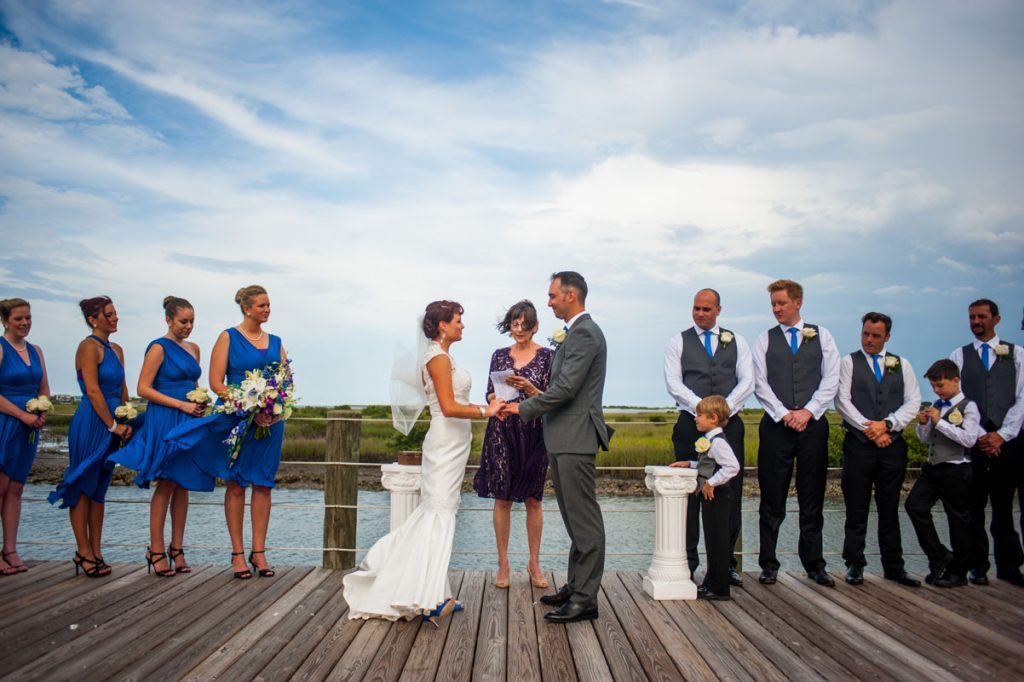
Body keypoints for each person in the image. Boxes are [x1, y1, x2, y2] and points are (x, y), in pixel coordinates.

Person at [343, 300, 502, 623]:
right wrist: (487, 411)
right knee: (439, 512)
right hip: (445, 442)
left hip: (454, 441)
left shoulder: (440, 356)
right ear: (442, 325)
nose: (462, 325)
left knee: (439, 511)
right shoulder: (438, 358)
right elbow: (448, 406)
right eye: (458, 320)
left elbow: (454, 401)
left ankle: (434, 591)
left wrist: (488, 406)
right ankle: (429, 596)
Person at [505, 271, 611, 624]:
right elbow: (564, 388)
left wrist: (521, 408)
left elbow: (566, 389)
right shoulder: (576, 333)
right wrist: (534, 394)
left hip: (576, 437)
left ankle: (585, 600)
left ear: (570, 295)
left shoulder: (585, 333)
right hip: (564, 436)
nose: (548, 302)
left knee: (584, 519)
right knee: (572, 518)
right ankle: (576, 586)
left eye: (552, 296)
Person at [166, 285, 287, 579]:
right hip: (237, 419)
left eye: (269, 305)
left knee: (263, 484)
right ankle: (237, 553)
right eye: (262, 305)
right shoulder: (228, 337)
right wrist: (248, 405)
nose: (267, 309)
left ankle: (259, 552)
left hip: (271, 421)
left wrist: (272, 408)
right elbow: (216, 382)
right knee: (236, 484)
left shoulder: (276, 341)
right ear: (247, 308)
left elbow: (285, 380)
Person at [109, 296, 214, 577]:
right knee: (166, 482)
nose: (188, 326)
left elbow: (193, 384)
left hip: (189, 418)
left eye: (192, 321)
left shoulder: (194, 349)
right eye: (183, 321)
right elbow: (143, 388)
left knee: (182, 483)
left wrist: (200, 402)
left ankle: (177, 548)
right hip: (166, 417)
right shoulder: (158, 347)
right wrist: (181, 404)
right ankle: (155, 550)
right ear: (168, 320)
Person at [752, 279, 840, 587]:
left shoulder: (822, 336)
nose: (776, 309)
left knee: (812, 495)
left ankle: (815, 564)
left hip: (812, 426)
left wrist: (808, 411)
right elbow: (759, 382)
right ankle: (768, 564)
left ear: (798, 302)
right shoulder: (764, 339)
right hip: (776, 427)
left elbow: (831, 379)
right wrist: (784, 414)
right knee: (771, 497)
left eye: (782, 303)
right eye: (773, 304)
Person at [663, 288, 753, 586]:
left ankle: (725, 565)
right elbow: (674, 383)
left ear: (718, 310)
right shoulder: (678, 341)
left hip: (729, 425)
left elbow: (747, 381)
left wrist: (722, 411)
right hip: (690, 423)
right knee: (689, 495)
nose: (700, 313)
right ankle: (687, 564)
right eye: (696, 308)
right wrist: (701, 408)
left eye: (706, 309)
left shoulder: (737, 341)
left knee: (729, 495)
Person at [49, 297, 135, 577]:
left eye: (115, 313)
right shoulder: (87, 347)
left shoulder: (117, 350)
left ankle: (97, 550)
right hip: (92, 421)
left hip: (115, 420)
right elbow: (94, 390)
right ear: (92, 319)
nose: (115, 318)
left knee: (99, 488)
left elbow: (122, 388)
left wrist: (126, 418)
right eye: (109, 315)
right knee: (82, 483)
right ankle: (83, 551)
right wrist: (112, 425)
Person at [834, 312, 921, 587]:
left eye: (875, 335)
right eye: (865, 334)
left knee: (889, 509)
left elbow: (913, 401)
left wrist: (888, 425)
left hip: (892, 446)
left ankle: (894, 566)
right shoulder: (848, 362)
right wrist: (869, 429)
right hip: (859, 446)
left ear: (887, 337)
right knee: (856, 508)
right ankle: (854, 564)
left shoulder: (902, 364)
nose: (869, 340)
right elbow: (842, 401)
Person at [473, 300, 553, 590]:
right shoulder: (498, 355)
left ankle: (534, 563)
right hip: (502, 429)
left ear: (535, 327)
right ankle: (503, 564)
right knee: (502, 498)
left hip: (534, 431)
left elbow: (551, 397)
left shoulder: (548, 356)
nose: (519, 329)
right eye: (514, 323)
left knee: (534, 500)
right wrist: (496, 401)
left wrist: (529, 389)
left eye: (524, 324)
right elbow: (489, 393)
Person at [950, 299, 1024, 586]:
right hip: (974, 441)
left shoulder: (1017, 355)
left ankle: (1009, 565)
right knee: (973, 504)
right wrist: (981, 434)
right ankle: (977, 565)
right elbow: (956, 399)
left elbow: (1022, 398)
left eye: (981, 316)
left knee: (1004, 505)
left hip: (1009, 441)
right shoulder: (959, 356)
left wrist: (1002, 434)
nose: (976, 322)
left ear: (996, 319)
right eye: (972, 317)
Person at [905, 359, 980, 587]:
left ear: (956, 380)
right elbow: (926, 439)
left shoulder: (969, 407)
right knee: (914, 506)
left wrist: (940, 423)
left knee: (957, 519)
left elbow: (969, 439)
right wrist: (923, 425)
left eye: (940, 385)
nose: (937, 390)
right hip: (933, 468)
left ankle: (958, 571)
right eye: (933, 386)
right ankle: (938, 555)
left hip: (956, 468)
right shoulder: (937, 405)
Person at [670, 395, 740, 600]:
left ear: (714, 418)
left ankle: (719, 588)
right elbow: (709, 464)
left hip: (719, 495)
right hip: (711, 497)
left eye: (700, 415)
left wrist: (711, 482)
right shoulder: (710, 439)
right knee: (711, 540)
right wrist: (690, 464)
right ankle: (710, 582)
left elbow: (732, 466)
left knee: (718, 541)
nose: (695, 418)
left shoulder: (718, 442)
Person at [0, 298, 50, 574]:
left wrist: (42, 409)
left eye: (28, 318)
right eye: (18, 318)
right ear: (5, 320)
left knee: (16, 488)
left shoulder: (36, 350)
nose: (24, 323)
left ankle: (10, 548)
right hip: (5, 422)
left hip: (28, 427)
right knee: (0, 487)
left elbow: (44, 388)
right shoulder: (0, 348)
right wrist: (21, 415)